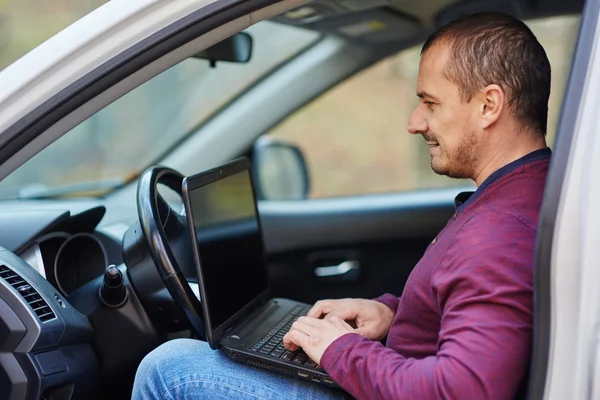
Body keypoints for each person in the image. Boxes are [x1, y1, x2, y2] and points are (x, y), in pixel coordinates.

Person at [132, 10, 552, 400]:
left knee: (170, 369)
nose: (414, 122)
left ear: (488, 105)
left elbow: (462, 391)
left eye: (430, 102)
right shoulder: (526, 190)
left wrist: (342, 350)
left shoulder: (498, 231)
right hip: (395, 375)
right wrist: (394, 315)